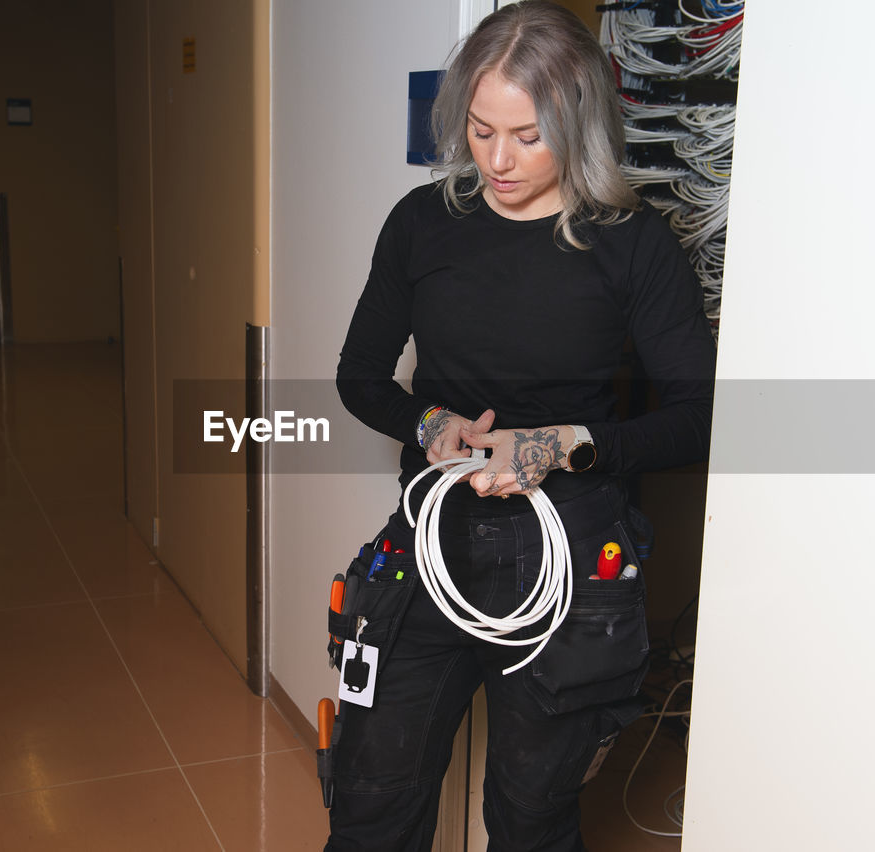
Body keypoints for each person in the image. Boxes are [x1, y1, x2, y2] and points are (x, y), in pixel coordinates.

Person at [330, 2, 716, 850]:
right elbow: (359, 376)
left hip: (569, 560)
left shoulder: (635, 245)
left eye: (528, 137)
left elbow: (698, 420)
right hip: (432, 542)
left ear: (579, 125)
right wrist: (431, 421)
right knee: (369, 801)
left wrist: (562, 444)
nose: (498, 161)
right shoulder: (422, 224)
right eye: (479, 130)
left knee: (530, 816)